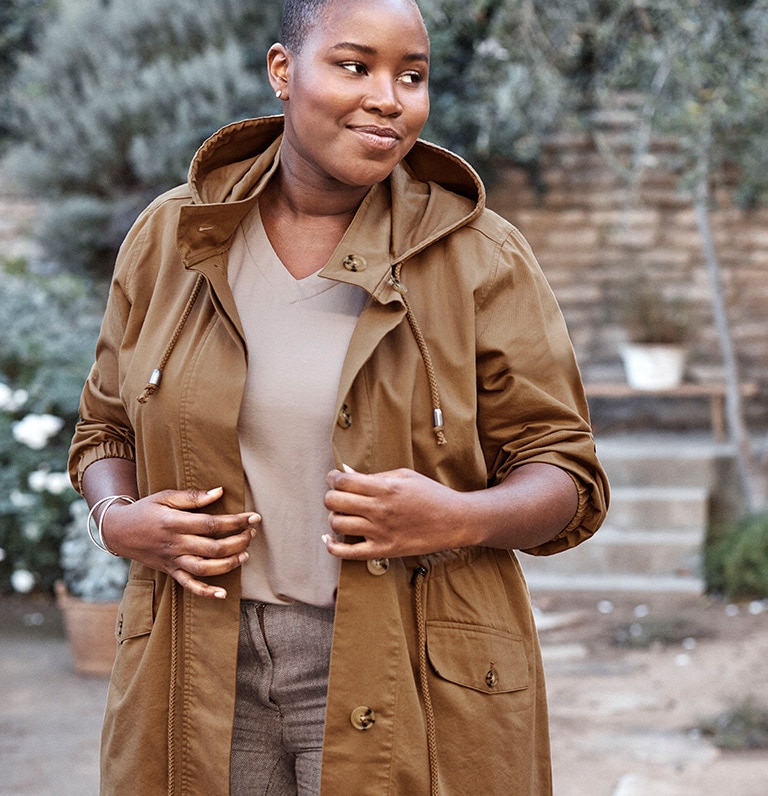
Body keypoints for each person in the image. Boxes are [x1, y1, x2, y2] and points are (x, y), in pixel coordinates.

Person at [68, 0, 609, 793]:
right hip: (197, 662)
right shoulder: (172, 238)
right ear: (283, 71)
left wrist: (457, 517)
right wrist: (120, 523)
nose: (389, 98)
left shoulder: (479, 257)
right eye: (355, 66)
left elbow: (568, 475)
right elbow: (103, 431)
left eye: (412, 76)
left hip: (403, 663)